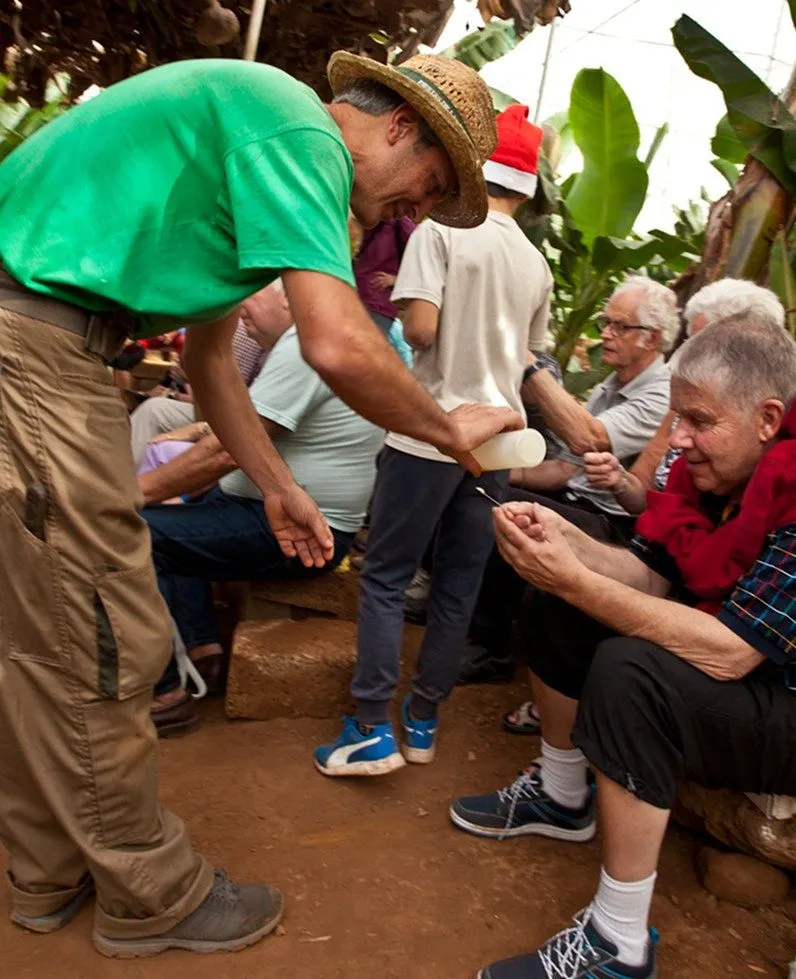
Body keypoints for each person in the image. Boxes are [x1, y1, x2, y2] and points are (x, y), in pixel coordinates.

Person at [0, 53, 522, 957]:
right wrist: (449, 431)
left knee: (49, 634)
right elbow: (335, 343)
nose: (419, 212)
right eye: (430, 184)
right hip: (37, 348)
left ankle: (46, 869)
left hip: (38, 338)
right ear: (399, 124)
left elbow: (208, 364)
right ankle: (148, 893)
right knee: (109, 635)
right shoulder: (300, 131)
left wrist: (279, 490)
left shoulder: (250, 138)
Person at [450, 314, 796, 979]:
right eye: (677, 417)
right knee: (555, 599)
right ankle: (560, 795)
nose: (680, 439)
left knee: (632, 669)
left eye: (698, 421)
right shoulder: (712, 476)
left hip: (783, 699)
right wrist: (563, 543)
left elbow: (733, 653)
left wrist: (578, 577)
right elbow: (649, 575)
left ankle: (618, 942)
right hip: (741, 670)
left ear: (769, 418)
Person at [315, 104, 554, 777]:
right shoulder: (535, 263)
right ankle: (422, 719)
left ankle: (368, 725)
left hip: (432, 433)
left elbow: (419, 330)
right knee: (459, 584)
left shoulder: (443, 230)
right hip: (501, 442)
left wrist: (407, 306)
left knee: (387, 577)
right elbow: (531, 356)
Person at [143, 321, 384, 735]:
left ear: (290, 298)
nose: (244, 315)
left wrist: (133, 493)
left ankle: (166, 696)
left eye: (254, 296)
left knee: (140, 533)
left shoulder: (308, 343)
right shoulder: (309, 340)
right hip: (265, 508)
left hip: (298, 526)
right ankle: (206, 656)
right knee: (174, 516)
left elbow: (226, 450)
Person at [459, 276, 677, 686]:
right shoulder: (612, 384)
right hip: (582, 501)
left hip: (616, 528)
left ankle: (494, 650)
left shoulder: (660, 395)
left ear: (652, 338)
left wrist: (530, 366)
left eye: (619, 326)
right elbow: (567, 468)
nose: (606, 335)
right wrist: (493, 469)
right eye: (605, 323)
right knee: (482, 490)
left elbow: (588, 437)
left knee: (502, 511)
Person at [587, 278, 787, 511]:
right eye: (692, 344)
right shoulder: (684, 406)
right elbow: (646, 494)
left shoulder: (772, 452)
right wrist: (619, 480)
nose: (693, 358)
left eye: (711, 349)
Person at [134, 282, 291, 475]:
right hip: (239, 423)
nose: (242, 306)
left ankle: (123, 495)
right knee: (156, 412)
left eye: (250, 294)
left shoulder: (293, 346)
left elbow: (230, 403)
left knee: (158, 434)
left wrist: (202, 426)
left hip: (246, 438)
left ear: (286, 299)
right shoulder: (269, 332)